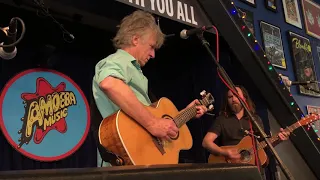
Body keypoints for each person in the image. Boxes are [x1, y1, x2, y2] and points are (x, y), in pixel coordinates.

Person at [92, 10, 208, 165]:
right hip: (123, 157)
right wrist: (153, 124)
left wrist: (186, 113)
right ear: (135, 39)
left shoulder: (135, 72)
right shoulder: (119, 61)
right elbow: (110, 84)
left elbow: (152, 119)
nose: (153, 54)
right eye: (151, 47)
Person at [202, 85, 290, 161]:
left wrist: (278, 140)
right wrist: (224, 152)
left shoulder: (255, 119)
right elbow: (206, 142)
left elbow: (264, 145)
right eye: (230, 97)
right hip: (229, 167)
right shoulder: (222, 119)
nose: (233, 99)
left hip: (251, 166)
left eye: (236, 95)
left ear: (244, 98)